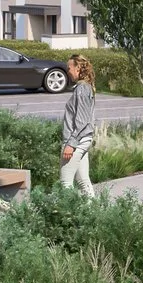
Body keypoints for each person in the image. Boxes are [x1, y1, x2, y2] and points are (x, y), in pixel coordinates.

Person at [58, 54, 97, 191]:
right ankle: (93, 211)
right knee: (83, 181)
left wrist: (70, 144)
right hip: (82, 140)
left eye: (69, 68)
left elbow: (81, 120)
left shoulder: (82, 89)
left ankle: (67, 211)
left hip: (76, 141)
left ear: (78, 68)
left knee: (65, 183)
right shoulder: (85, 87)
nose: (67, 71)